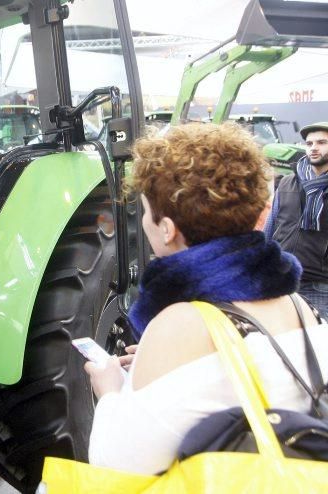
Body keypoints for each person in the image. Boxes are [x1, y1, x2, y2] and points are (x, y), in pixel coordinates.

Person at [84, 122, 328, 475]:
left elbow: (117, 462)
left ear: (167, 229)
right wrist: (157, 363)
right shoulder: (298, 305)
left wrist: (109, 389)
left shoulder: (180, 323)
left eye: (144, 211)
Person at [264, 122, 328, 318]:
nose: (314, 148)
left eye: (321, 142)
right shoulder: (286, 182)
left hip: (320, 286)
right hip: (283, 280)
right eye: (309, 144)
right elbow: (271, 226)